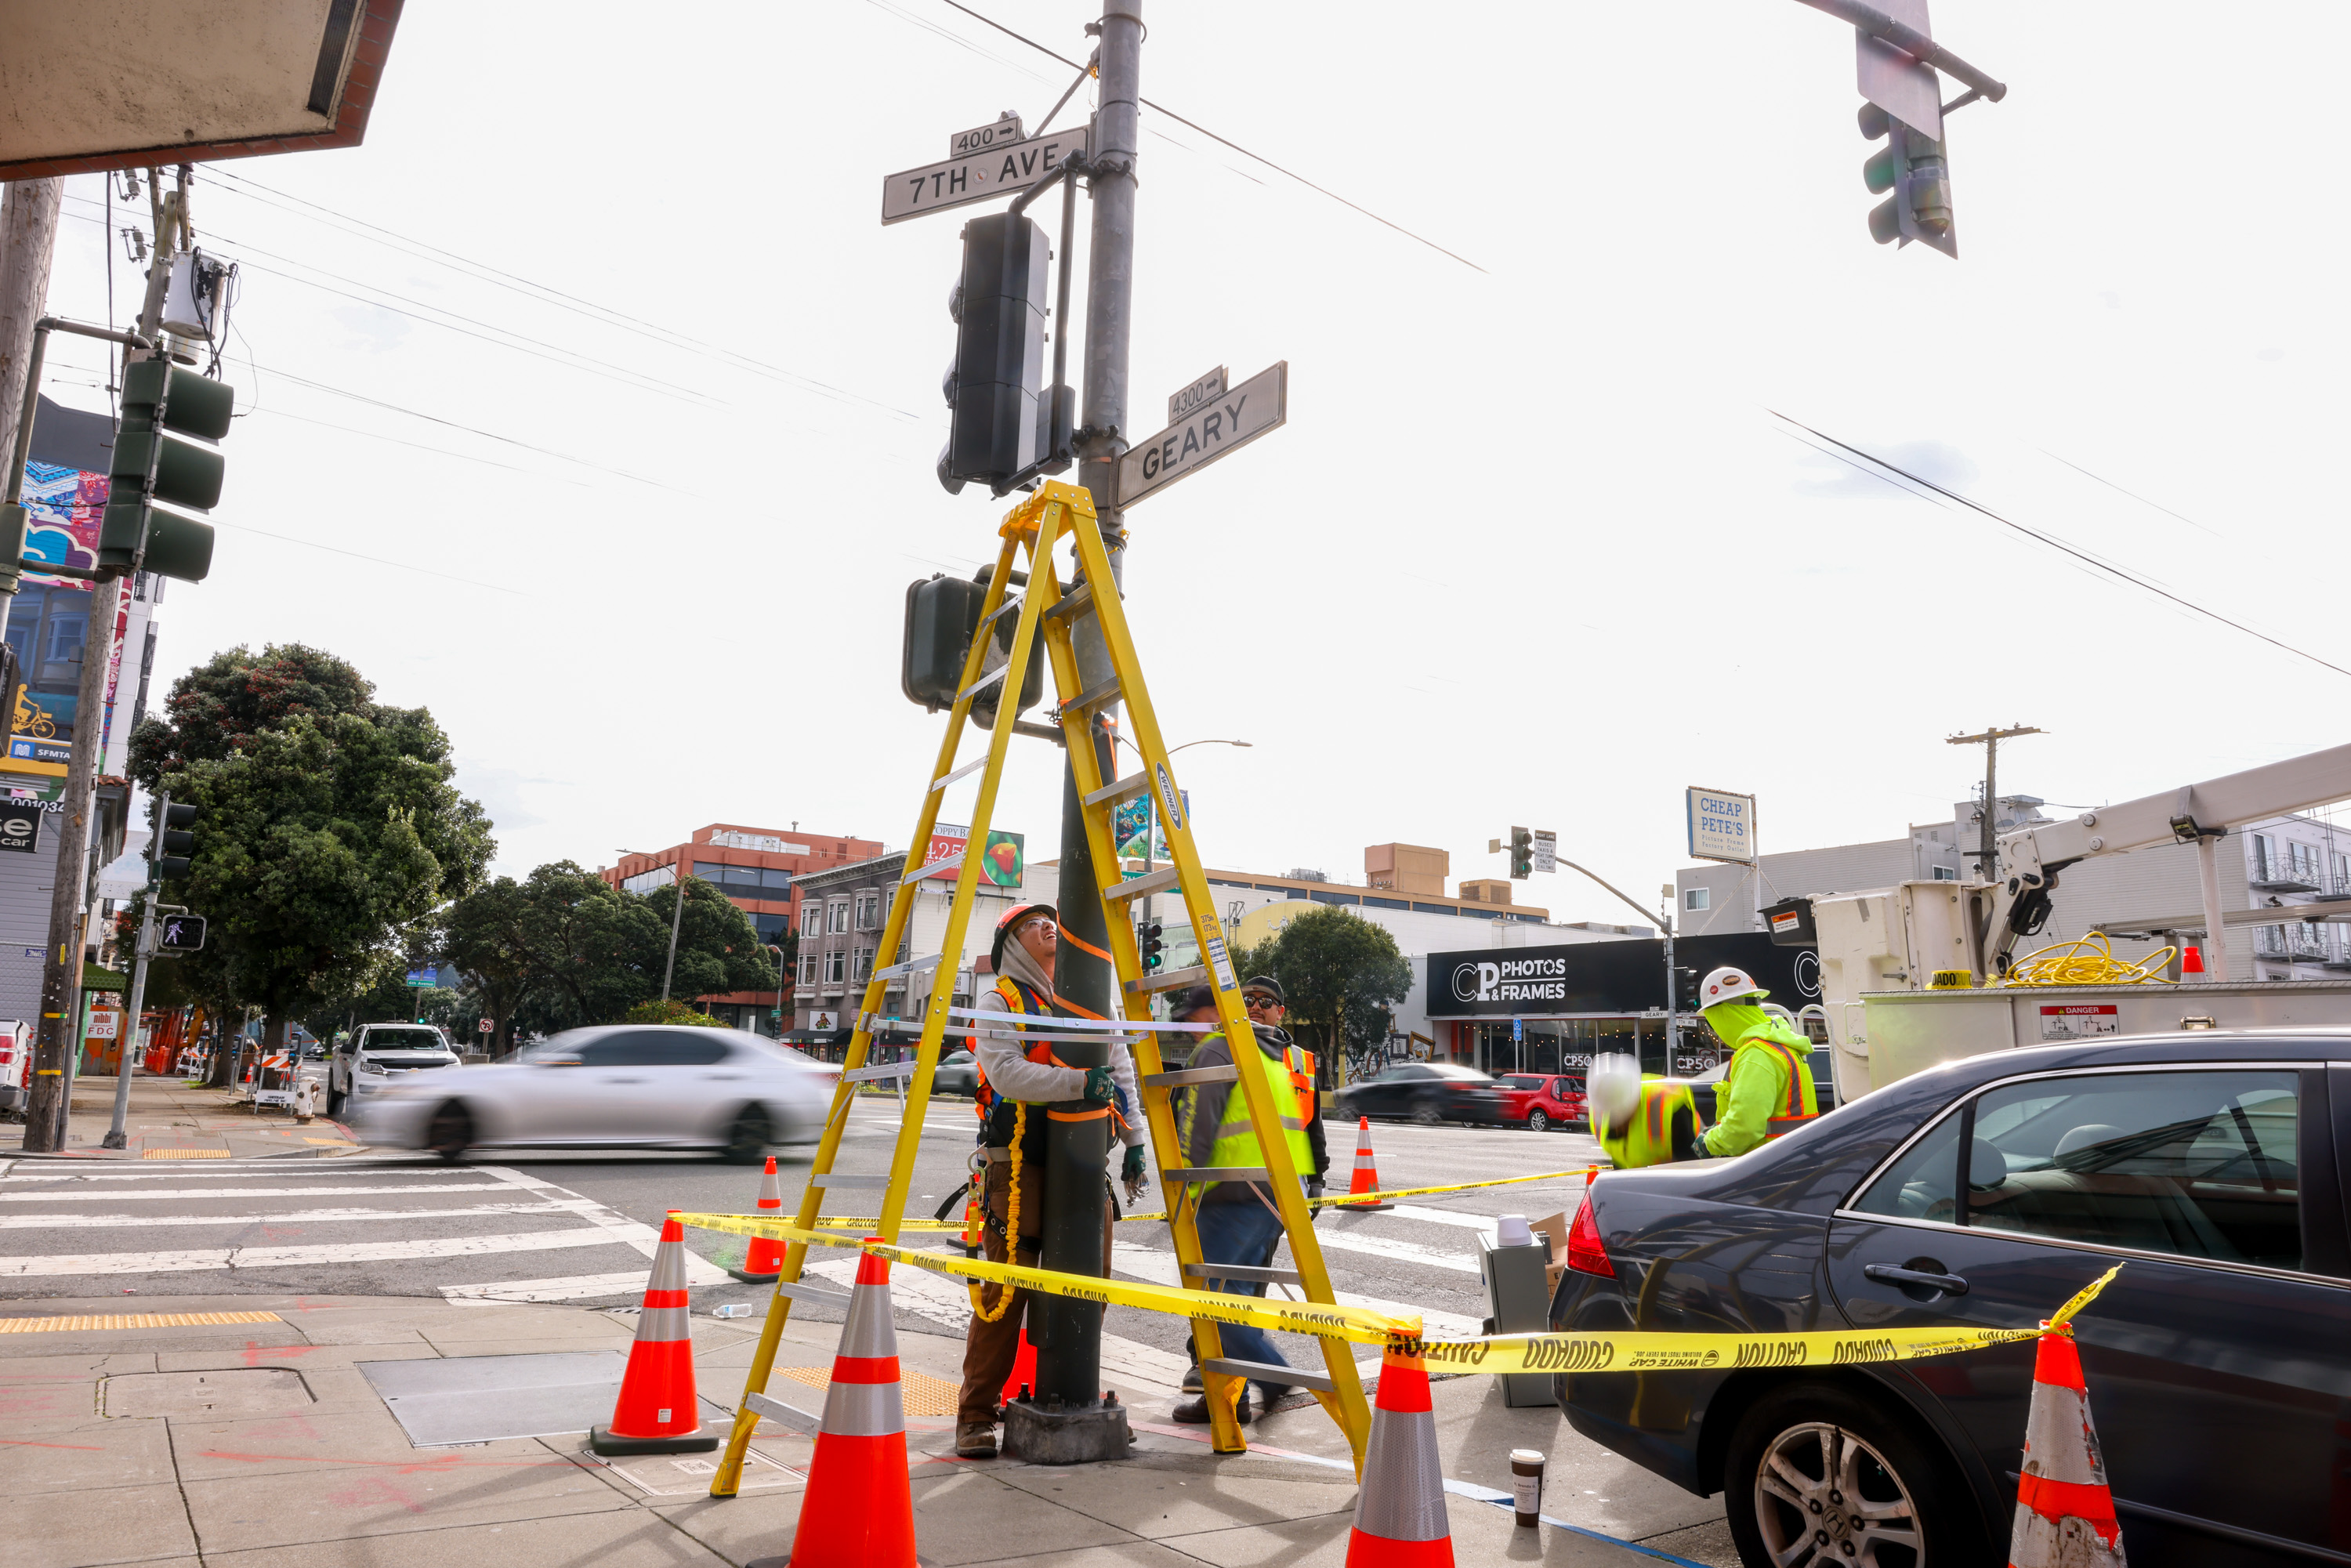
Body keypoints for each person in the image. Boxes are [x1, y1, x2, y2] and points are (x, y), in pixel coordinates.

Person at [954, 903, 1148, 1458]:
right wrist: (1080, 1083)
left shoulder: (1091, 998)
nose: (1050, 927)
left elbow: (1122, 1069)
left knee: (1090, 1287)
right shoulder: (1001, 1000)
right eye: (1032, 923)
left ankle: (1069, 1393)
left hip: (1086, 1166)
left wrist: (1134, 1143)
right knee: (1005, 1293)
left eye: (1053, 920)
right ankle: (975, 1413)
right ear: (1010, 943)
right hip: (1018, 1168)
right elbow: (1007, 1072)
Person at [1167, 983, 1317, 1425]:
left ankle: (1272, 1376)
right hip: (1274, 1193)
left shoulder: (1216, 1050)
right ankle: (1228, 1401)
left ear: (1212, 1013)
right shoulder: (1269, 1053)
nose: (1185, 1025)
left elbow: (1196, 1129)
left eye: (1191, 1015)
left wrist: (1185, 1195)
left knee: (1215, 1303)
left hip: (1233, 1193)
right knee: (1239, 1300)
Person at [1694, 965, 1818, 1158]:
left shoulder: (1756, 1055)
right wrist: (1719, 1128)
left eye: (1711, 1021)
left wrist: (1709, 1143)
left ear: (1722, 1015)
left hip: (1764, 1167)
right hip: (1791, 1160)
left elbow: (1743, 1128)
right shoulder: (1780, 1044)